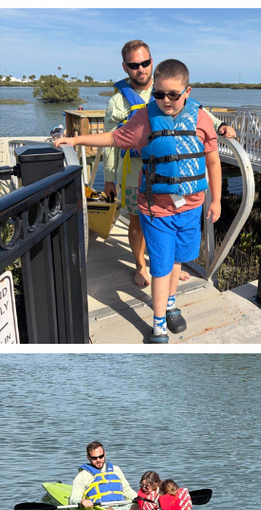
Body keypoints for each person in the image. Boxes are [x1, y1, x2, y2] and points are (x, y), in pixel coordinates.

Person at [56, 58, 224, 344]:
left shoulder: (202, 118)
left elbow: (213, 160)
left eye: (174, 94)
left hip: (191, 207)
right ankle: (158, 326)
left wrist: (216, 200)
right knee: (159, 268)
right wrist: (75, 141)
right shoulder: (145, 119)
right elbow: (112, 138)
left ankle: (171, 306)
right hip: (156, 210)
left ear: (188, 91)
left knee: (177, 261)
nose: (166, 100)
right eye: (159, 94)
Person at [102, 40, 236, 289]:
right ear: (125, 67)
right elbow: (112, 142)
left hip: (170, 173)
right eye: (134, 65)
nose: (140, 69)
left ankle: (169, 265)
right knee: (137, 221)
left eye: (145, 63)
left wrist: (220, 126)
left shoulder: (168, 85)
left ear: (152, 62)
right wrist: (109, 179)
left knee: (174, 219)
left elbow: (195, 113)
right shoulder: (117, 104)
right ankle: (141, 266)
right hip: (135, 172)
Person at [68, 441, 136, 510]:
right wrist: (82, 501)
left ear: (105, 454)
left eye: (101, 456)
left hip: (122, 506)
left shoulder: (116, 469)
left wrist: (138, 498)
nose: (98, 460)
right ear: (88, 457)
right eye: (94, 458)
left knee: (140, 507)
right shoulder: (83, 476)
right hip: (103, 508)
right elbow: (73, 498)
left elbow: (127, 490)